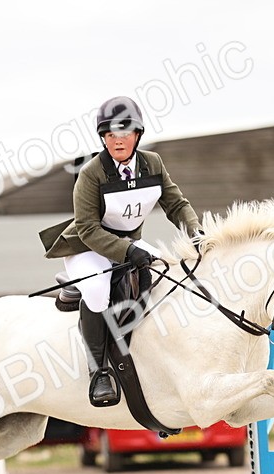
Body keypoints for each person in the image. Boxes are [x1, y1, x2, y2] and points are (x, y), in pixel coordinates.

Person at [41, 95, 201, 406]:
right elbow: (88, 229)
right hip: (88, 246)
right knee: (97, 290)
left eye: (125, 132)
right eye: (110, 134)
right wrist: (127, 252)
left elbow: (176, 204)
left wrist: (195, 232)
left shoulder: (152, 164)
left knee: (166, 273)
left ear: (137, 135)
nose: (117, 140)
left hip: (129, 242)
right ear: (103, 137)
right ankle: (99, 371)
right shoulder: (91, 173)